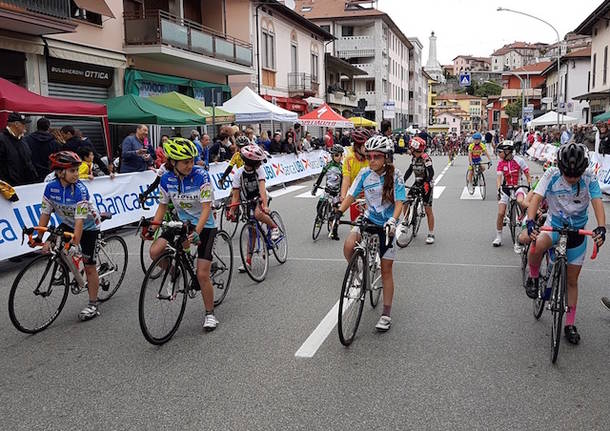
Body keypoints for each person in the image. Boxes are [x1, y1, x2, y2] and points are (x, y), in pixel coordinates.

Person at [525, 143, 606, 344]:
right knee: (537, 245)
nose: (571, 179)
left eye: (575, 175)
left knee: (572, 281)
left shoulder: (589, 177)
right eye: (567, 175)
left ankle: (569, 323)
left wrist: (602, 227)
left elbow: (597, 202)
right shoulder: (552, 173)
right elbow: (536, 198)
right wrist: (530, 221)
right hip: (554, 225)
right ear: (561, 168)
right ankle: (533, 277)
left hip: (577, 231)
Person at [333, 135, 405, 332]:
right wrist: (339, 212)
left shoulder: (395, 175)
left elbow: (400, 202)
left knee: (386, 269)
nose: (371, 160)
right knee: (349, 246)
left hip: (387, 224)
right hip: (368, 217)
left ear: (387, 158)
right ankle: (357, 274)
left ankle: (386, 313)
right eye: (369, 155)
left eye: (377, 156)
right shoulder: (365, 174)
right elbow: (351, 194)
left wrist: (393, 220)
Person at [146, 138, 219, 331]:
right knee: (155, 251)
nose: (190, 165)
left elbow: (206, 209)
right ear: (173, 162)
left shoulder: (201, 176)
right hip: (181, 223)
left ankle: (210, 314)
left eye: (191, 160)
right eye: (185, 162)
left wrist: (198, 232)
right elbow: (162, 207)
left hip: (205, 224)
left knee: (202, 273)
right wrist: (152, 228)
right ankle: (175, 271)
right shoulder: (166, 178)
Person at [36, 151, 102, 321]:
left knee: (89, 265)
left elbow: (79, 222)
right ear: (59, 172)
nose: (76, 174)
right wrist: (38, 236)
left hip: (88, 227)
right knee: (50, 247)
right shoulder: (51, 187)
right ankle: (65, 268)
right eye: (72, 171)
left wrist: (74, 243)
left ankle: (93, 304)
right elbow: (45, 214)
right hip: (67, 223)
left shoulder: (80, 190)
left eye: (77, 170)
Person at [229, 144, 280, 241]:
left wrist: (265, 205)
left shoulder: (259, 170)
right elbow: (235, 196)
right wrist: (232, 210)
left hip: (260, 196)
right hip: (247, 200)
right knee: (252, 232)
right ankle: (249, 256)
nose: (260, 163)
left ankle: (274, 227)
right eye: (258, 161)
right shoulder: (238, 174)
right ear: (252, 162)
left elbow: (262, 189)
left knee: (258, 214)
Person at [493, 140, 531, 248]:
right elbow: (499, 178)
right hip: (506, 189)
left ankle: (523, 215)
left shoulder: (519, 161)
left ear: (508, 151)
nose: (499, 154)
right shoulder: (501, 162)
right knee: (501, 213)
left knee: (520, 201)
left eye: (500, 151)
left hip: (518, 187)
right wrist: (499, 188)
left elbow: (527, 174)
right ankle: (498, 237)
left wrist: (529, 185)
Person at [398, 136, 435, 244]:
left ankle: (431, 233)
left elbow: (431, 172)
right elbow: (409, 171)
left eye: (418, 151)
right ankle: (405, 221)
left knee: (428, 209)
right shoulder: (414, 158)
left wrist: (427, 183)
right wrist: (402, 181)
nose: (416, 153)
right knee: (406, 200)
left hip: (427, 182)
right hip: (417, 181)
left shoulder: (426, 158)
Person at [312, 144, 343, 240]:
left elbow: (343, 182)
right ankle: (319, 219)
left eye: (340, 155)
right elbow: (321, 177)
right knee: (319, 206)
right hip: (327, 191)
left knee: (336, 213)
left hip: (336, 193)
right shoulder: (328, 165)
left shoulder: (342, 168)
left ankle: (334, 232)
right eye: (336, 155)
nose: (339, 157)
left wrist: (342, 193)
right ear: (332, 156)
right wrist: (316, 187)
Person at [341, 128, 372, 224]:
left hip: (371, 195)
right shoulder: (349, 160)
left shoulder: (371, 158)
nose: (368, 149)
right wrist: (342, 198)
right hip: (355, 196)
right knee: (355, 226)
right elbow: (346, 180)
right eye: (365, 146)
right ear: (358, 146)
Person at [0, 112, 37, 186]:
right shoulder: (2, 140)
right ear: (16, 124)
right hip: (8, 189)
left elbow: (28, 162)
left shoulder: (23, 140)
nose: (25, 126)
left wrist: (34, 178)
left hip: (24, 185)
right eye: (23, 124)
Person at [23, 117, 60, 182]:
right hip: (48, 174)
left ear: (37, 127)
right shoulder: (55, 143)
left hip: (30, 174)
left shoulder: (26, 140)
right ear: (48, 128)